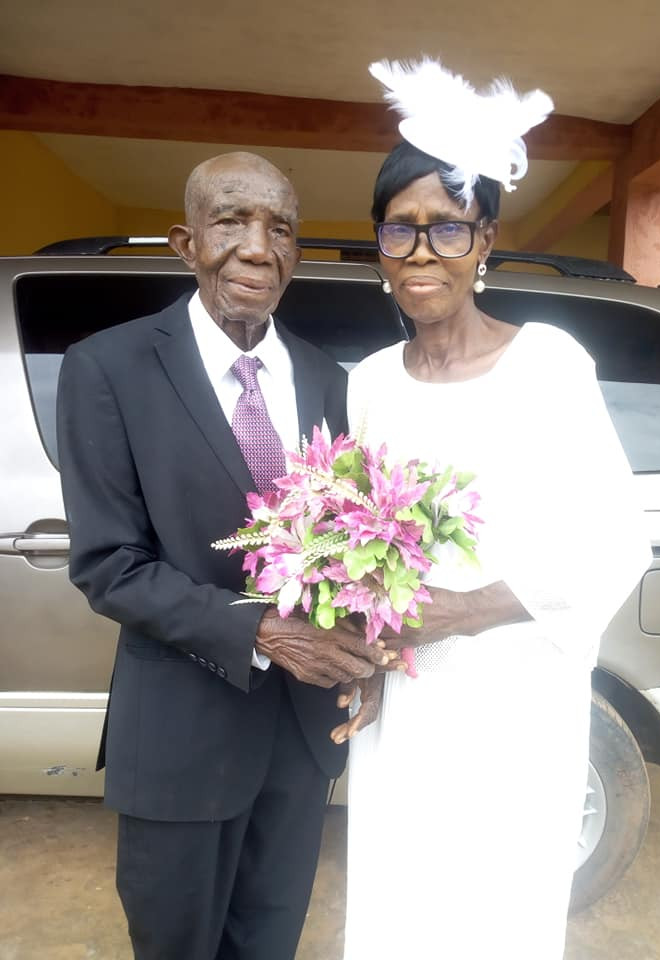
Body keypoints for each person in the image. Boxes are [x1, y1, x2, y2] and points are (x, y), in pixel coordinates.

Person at [338, 61, 652, 960]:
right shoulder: (370, 384)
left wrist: (463, 610)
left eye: (447, 227)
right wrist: (360, 651)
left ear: (486, 241)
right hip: (407, 706)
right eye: (400, 229)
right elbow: (360, 543)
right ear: (379, 246)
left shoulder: (548, 365)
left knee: (495, 907)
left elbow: (613, 544)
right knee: (402, 900)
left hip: (516, 700)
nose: (422, 252)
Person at [56, 151, 392, 960]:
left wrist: (365, 647)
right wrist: (263, 632)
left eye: (281, 229)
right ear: (186, 243)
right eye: (231, 221)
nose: (257, 248)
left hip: (300, 738)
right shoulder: (108, 367)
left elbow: (347, 546)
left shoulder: (329, 381)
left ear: (297, 252)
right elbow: (109, 564)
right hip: (180, 734)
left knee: (269, 943)